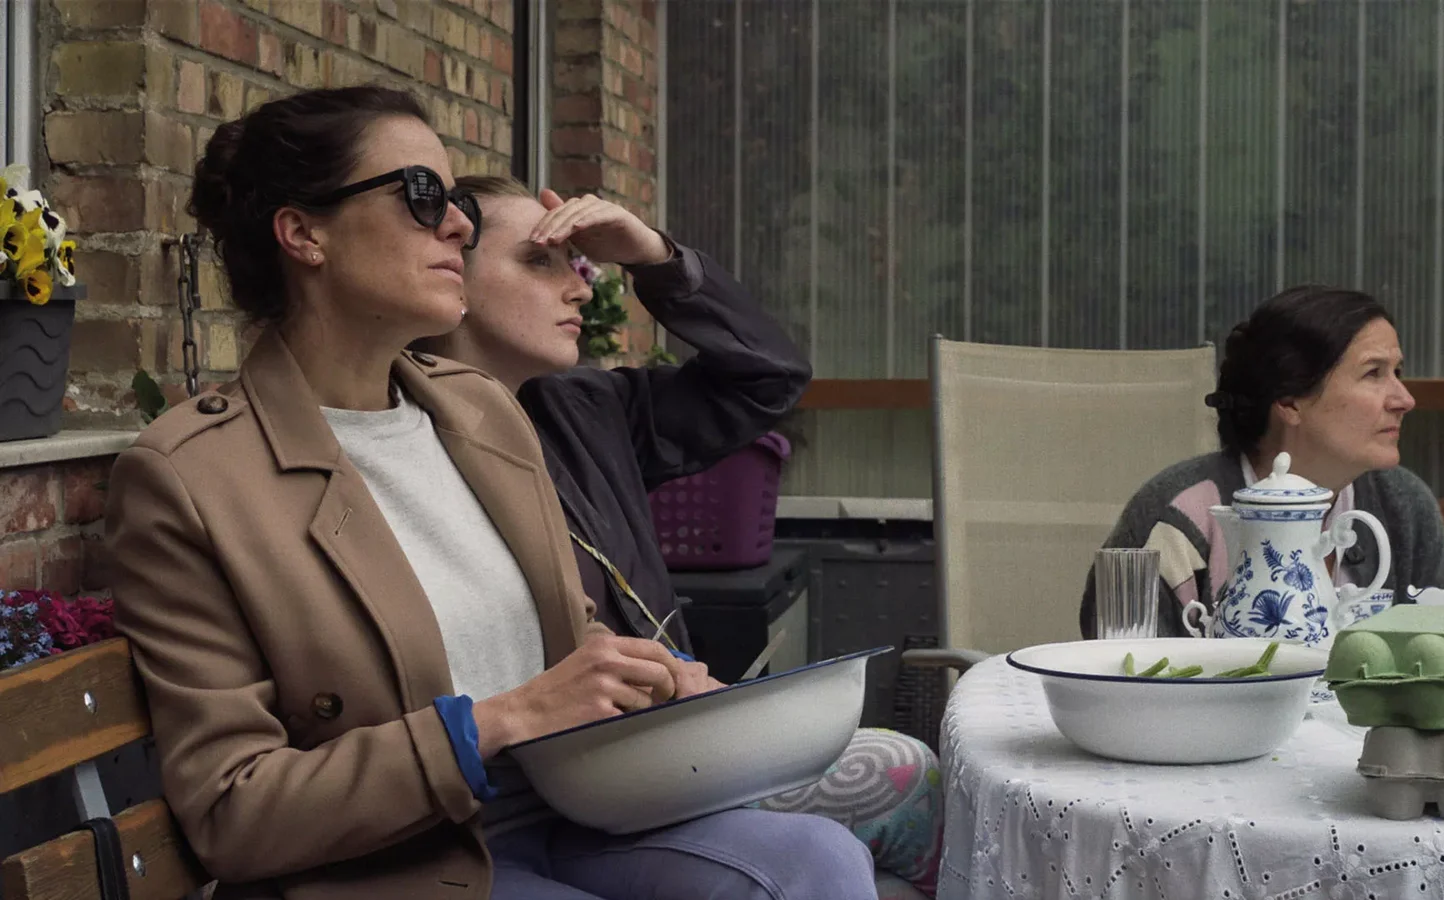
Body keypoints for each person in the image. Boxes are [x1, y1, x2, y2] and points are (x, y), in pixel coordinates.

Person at [104, 85, 876, 900]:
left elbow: (568, 635)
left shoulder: (479, 410)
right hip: (399, 862)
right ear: (304, 234)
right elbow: (233, 813)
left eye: (456, 202)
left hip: (577, 807)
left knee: (818, 860)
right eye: (421, 195)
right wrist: (495, 723)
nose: (458, 225)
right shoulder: (194, 478)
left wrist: (648, 676)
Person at [412, 175, 944, 899]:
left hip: (646, 775)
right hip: (494, 800)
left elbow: (767, 379)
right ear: (451, 273)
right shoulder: (396, 448)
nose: (579, 288)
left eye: (576, 264)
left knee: (906, 775)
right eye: (540, 261)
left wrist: (654, 257)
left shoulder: (584, 410)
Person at [1080, 285, 1444, 639]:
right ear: (1290, 402)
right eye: (1373, 373)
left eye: (1397, 372)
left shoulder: (1404, 508)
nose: (1404, 400)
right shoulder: (1179, 517)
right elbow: (1121, 667)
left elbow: (1438, 659)